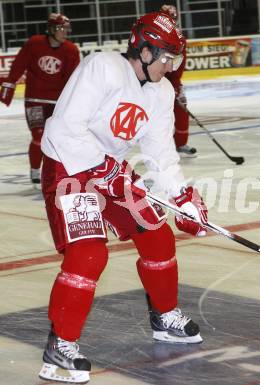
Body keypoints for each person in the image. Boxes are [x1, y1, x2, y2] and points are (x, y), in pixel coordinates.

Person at [38, 12, 208, 384]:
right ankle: (60, 347)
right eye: (166, 58)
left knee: (158, 236)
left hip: (109, 169)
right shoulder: (103, 68)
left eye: (174, 59)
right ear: (144, 51)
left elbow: (161, 153)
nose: (170, 67)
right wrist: (106, 170)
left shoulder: (160, 93)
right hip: (68, 165)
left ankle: (164, 318)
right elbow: (67, 128)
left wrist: (182, 197)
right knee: (89, 254)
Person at [0, 13, 80, 187]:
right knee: (38, 135)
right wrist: (10, 83)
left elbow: (72, 79)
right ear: (50, 29)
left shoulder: (71, 50)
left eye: (66, 29)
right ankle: (35, 170)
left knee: (57, 137)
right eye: (60, 28)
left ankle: (56, 171)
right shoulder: (34, 44)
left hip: (57, 102)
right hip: (34, 98)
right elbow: (19, 64)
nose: (64, 32)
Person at [161, 4, 197, 158]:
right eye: (170, 19)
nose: (173, 22)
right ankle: (161, 148)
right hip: (156, 81)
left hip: (173, 81)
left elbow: (180, 63)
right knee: (159, 115)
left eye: (174, 19)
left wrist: (176, 85)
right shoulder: (155, 34)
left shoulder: (179, 36)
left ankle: (181, 144)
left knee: (182, 110)